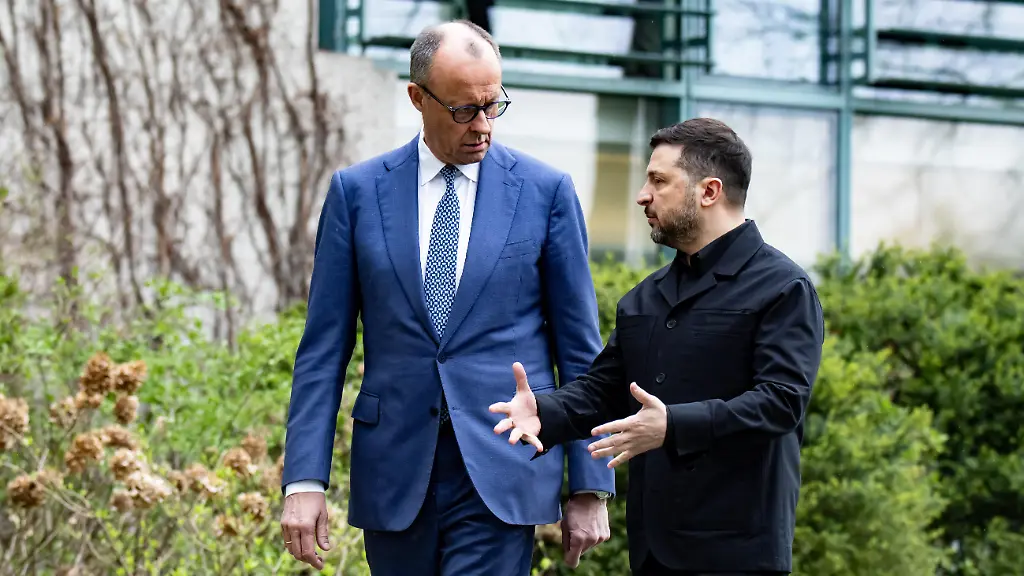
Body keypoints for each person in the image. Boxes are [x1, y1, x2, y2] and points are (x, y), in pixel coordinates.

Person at [278, 19, 616, 575]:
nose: (483, 125)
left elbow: (581, 349)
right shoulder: (356, 193)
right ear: (418, 97)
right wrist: (304, 481)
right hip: (394, 473)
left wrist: (589, 484)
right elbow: (322, 352)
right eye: (464, 110)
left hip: (505, 466)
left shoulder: (546, 192)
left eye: (493, 105)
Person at [490, 118, 825, 576]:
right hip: (653, 553)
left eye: (658, 181)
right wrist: (543, 412)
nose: (642, 196)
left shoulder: (783, 288)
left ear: (709, 191)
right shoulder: (645, 297)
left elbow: (781, 403)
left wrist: (673, 426)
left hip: (738, 554)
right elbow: (604, 391)